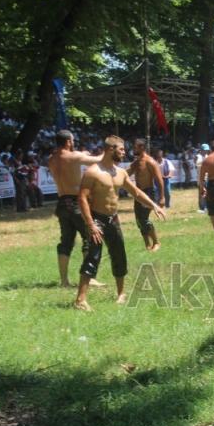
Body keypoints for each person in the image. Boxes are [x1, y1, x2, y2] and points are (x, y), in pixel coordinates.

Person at [74, 136, 166, 311]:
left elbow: (137, 193)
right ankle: (80, 300)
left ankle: (121, 293)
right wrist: (91, 224)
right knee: (93, 256)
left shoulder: (120, 173)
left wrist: (154, 205)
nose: (125, 152)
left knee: (119, 255)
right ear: (110, 150)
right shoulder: (93, 172)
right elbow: (82, 199)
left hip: (113, 219)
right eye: (121, 150)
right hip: (96, 219)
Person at [48, 130, 104, 288]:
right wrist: (109, 149)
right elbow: (98, 159)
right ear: (67, 142)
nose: (73, 143)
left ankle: (64, 281)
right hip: (76, 203)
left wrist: (81, 154)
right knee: (91, 238)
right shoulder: (74, 157)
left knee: (65, 243)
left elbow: (71, 158)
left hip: (61, 203)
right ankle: (90, 277)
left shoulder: (51, 159)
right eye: (72, 141)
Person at [127, 139, 165, 251]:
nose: (133, 149)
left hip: (148, 193)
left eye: (135, 147)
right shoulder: (136, 163)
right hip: (138, 194)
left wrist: (162, 197)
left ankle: (157, 242)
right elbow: (126, 173)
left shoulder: (150, 162)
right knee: (139, 220)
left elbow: (159, 180)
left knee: (143, 219)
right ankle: (147, 245)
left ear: (142, 147)